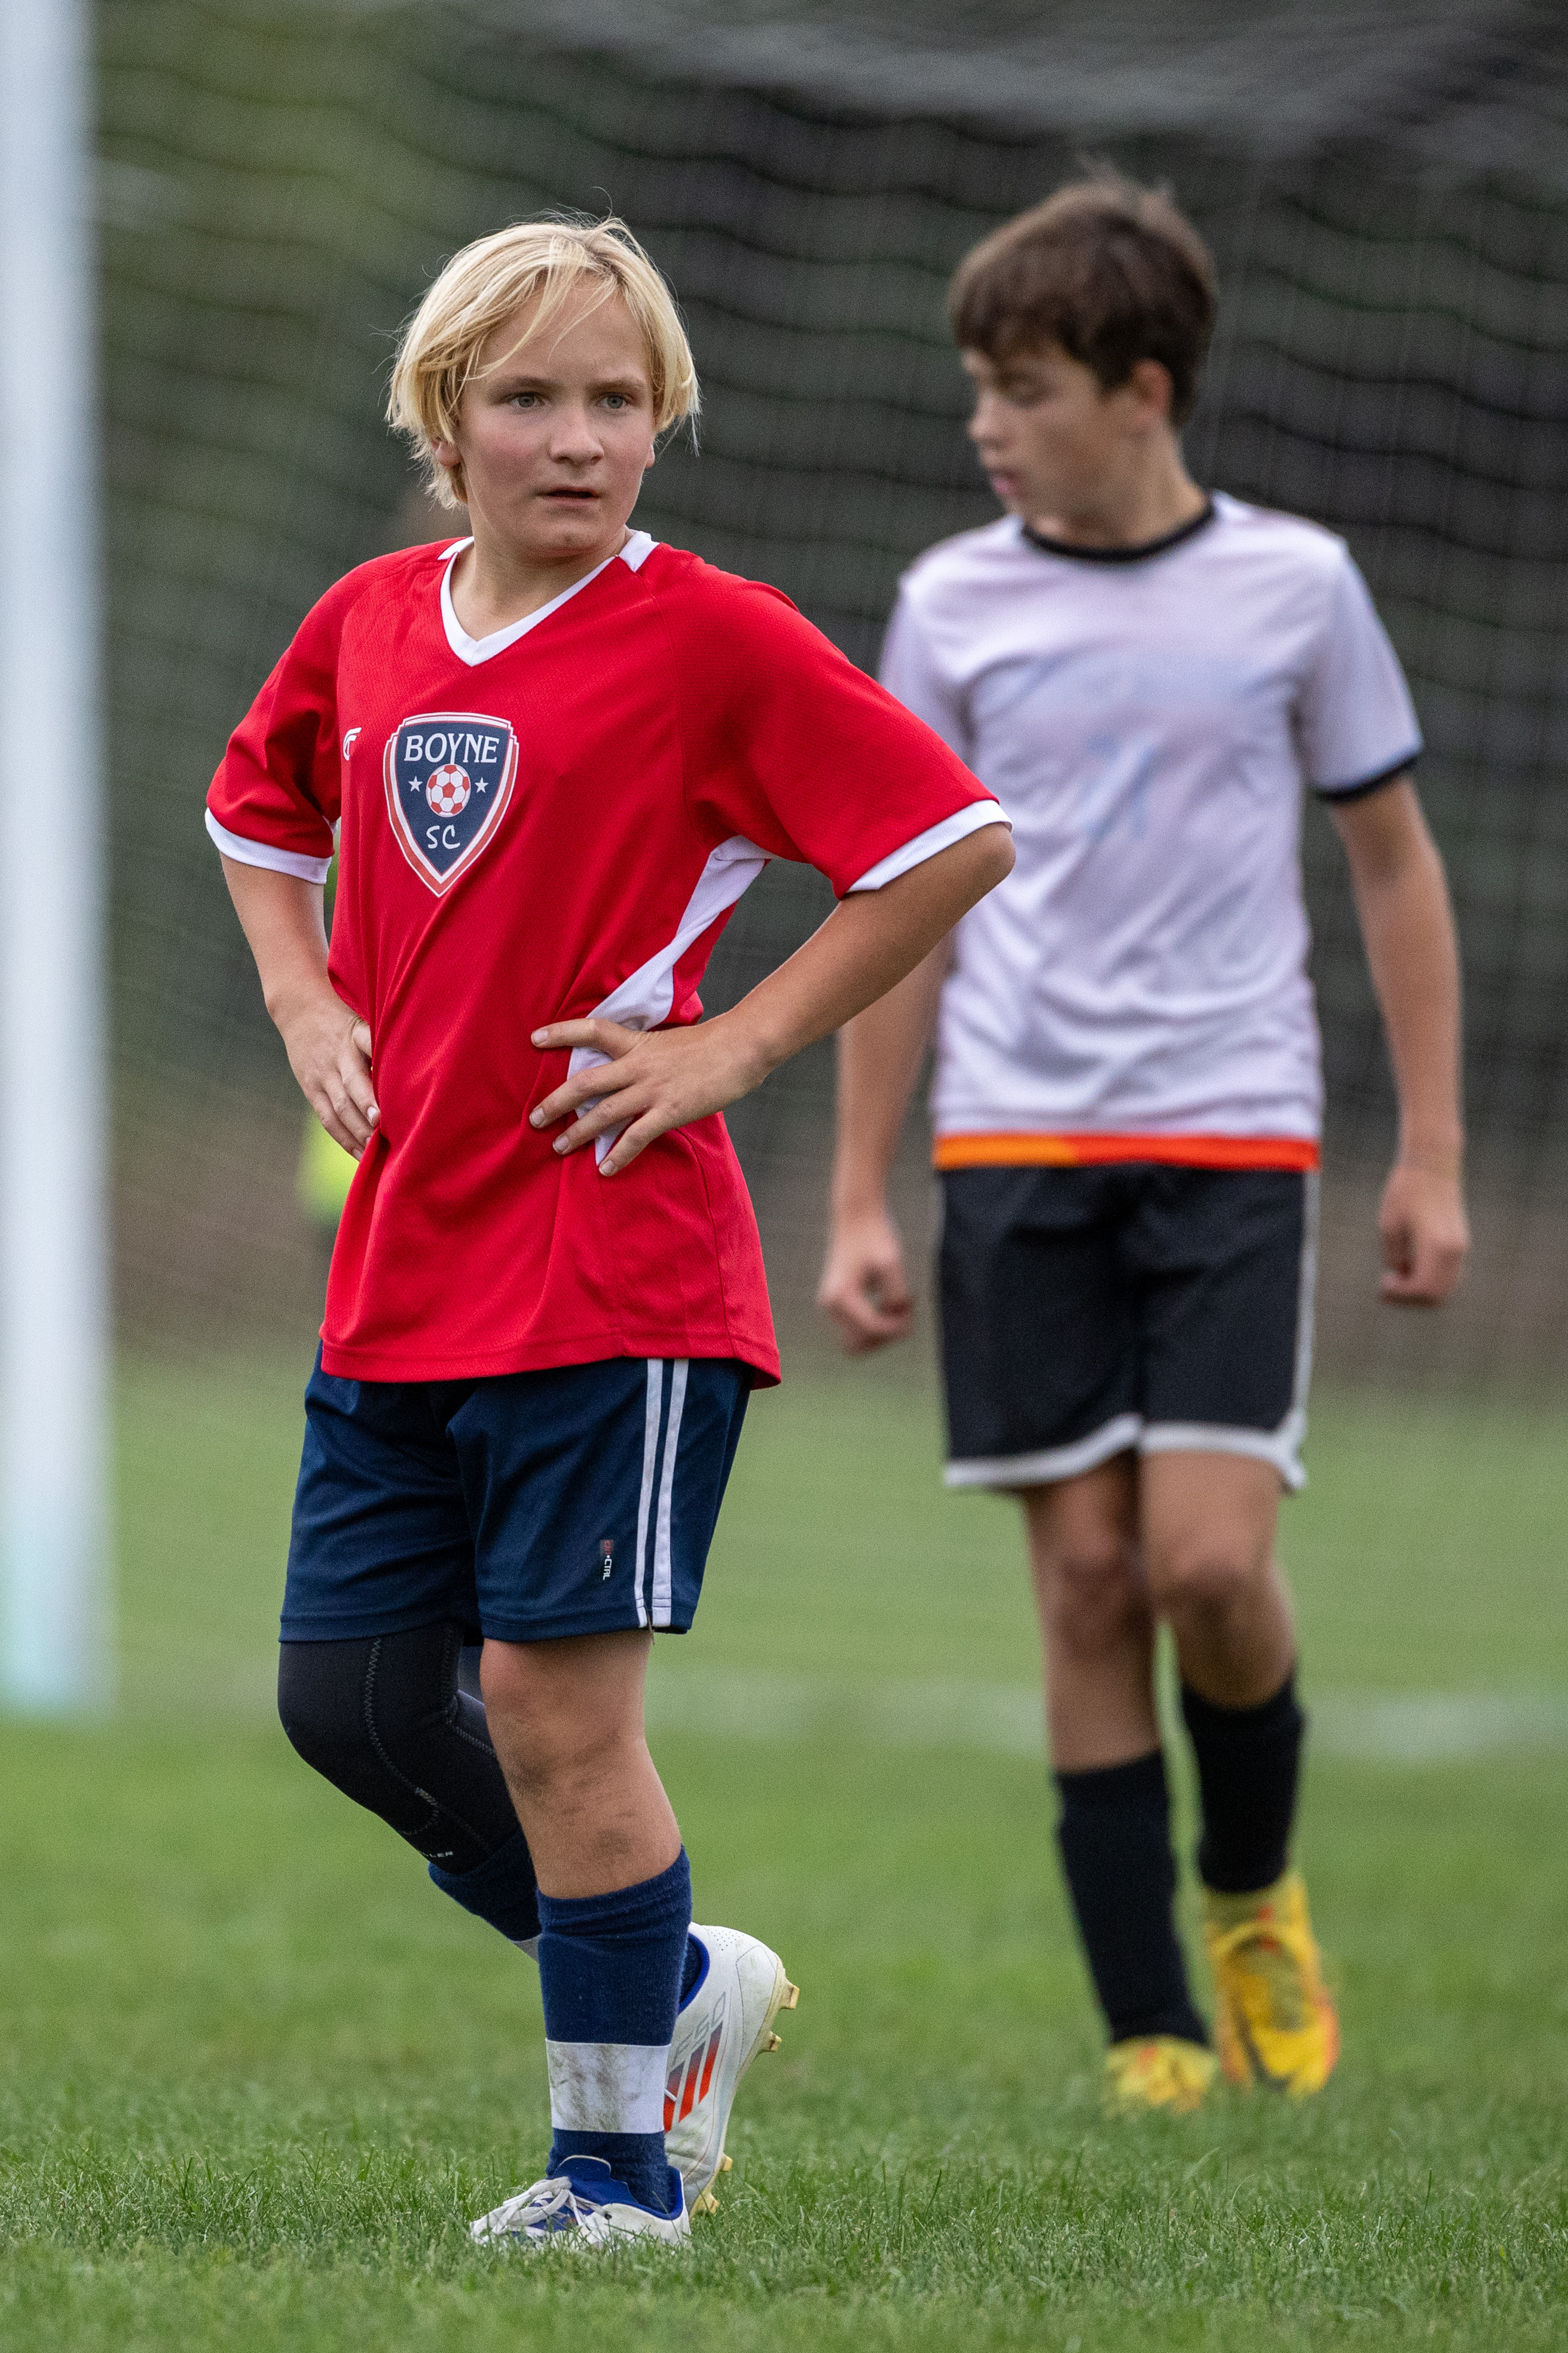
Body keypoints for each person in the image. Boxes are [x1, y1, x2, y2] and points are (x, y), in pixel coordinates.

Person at [207, 214, 1012, 2245]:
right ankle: (677, 1980)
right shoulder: (368, 620)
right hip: (404, 1264)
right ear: (444, 421)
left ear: (661, 421)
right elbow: (256, 812)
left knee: (563, 1719)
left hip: (614, 1269)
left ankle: (616, 2177)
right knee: (349, 1703)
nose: (578, 439)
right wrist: (304, 1002)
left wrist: (738, 1044)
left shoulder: (715, 637)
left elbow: (948, 843)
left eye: (618, 400)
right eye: (530, 399)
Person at [818, 174, 1468, 2113]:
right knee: (1088, 1583)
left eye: (1022, 388)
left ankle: (1252, 1891)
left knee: (1206, 1567)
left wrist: (1431, 1152)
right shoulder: (953, 603)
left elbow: (1394, 867)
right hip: (1011, 1144)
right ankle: (1150, 2035)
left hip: (1233, 1136)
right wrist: (858, 1194)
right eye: (978, 387)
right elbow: (898, 904)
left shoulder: (1300, 588)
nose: (987, 424)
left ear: (1144, 391)